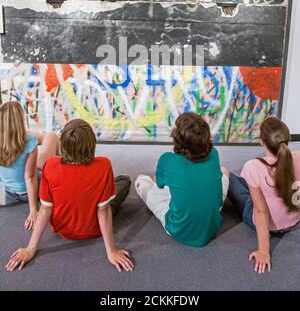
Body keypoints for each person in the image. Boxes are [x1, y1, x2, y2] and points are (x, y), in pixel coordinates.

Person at [6, 119, 134, 273]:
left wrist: (30, 248)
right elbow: (103, 211)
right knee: (123, 181)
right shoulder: (104, 165)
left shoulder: (50, 165)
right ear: (91, 144)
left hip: (62, 229)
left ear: (64, 144)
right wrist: (111, 251)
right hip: (94, 229)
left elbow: (45, 209)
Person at [135, 112, 229, 247]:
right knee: (224, 171)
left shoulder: (167, 160)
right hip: (212, 225)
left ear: (177, 137)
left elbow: (159, 184)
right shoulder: (214, 153)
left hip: (178, 229)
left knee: (141, 179)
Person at [228, 116, 300, 274]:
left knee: (230, 179)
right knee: (250, 185)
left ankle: (227, 175)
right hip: (294, 220)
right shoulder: (298, 156)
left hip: (268, 224)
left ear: (262, 141)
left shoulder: (253, 166)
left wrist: (263, 250)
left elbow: (261, 211)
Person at [0, 101, 57, 229]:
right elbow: (30, 177)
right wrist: (33, 210)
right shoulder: (29, 140)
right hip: (28, 192)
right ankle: (61, 158)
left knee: (34, 137)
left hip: (8, 191)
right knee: (51, 136)